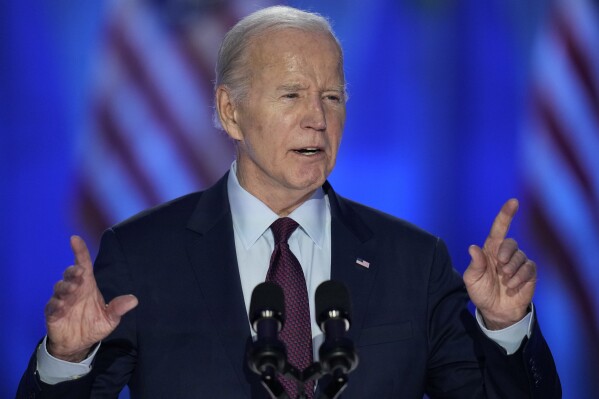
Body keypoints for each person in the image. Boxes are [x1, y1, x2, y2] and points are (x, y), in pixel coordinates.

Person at [17, 5, 560, 399]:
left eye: (332, 97)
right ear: (230, 112)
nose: (317, 119)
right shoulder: (142, 256)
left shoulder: (413, 262)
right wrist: (67, 359)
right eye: (292, 95)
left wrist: (505, 328)